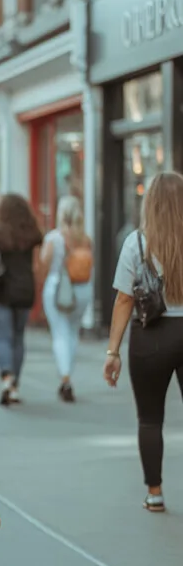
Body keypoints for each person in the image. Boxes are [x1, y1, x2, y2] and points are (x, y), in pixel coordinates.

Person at [104, 172, 183, 514]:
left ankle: (155, 492)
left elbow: (124, 300)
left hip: (150, 335)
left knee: (150, 419)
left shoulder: (136, 243)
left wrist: (113, 351)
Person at [0, 194, 42, 406]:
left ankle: (6, 379)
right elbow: (37, 267)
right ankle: (15, 386)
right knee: (18, 338)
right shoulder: (33, 233)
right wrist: (37, 291)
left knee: (2, 337)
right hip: (24, 291)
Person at [40, 196, 94, 403]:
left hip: (58, 288)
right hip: (82, 288)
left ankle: (65, 378)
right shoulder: (85, 239)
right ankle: (68, 374)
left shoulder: (54, 238)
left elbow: (44, 265)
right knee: (73, 332)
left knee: (60, 333)